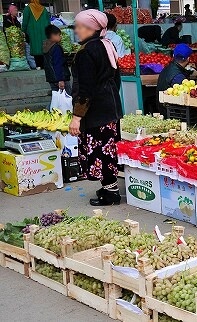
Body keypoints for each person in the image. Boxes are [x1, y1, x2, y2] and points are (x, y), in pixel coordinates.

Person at [69, 9, 122, 206]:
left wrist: (77, 117)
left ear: (91, 28)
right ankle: (110, 188)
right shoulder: (105, 45)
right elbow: (115, 80)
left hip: (97, 111)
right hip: (109, 107)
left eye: (80, 26)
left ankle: (111, 194)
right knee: (107, 150)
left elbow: (85, 89)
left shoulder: (87, 52)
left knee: (100, 152)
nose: (77, 30)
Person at [156, 44, 195, 116]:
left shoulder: (168, 68)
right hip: (171, 112)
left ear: (173, 56)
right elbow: (185, 92)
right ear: (188, 59)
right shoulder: (178, 77)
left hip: (162, 108)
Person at [43, 25, 71, 95]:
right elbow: (58, 64)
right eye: (59, 35)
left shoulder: (46, 46)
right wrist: (60, 79)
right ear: (53, 35)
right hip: (60, 78)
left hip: (51, 78)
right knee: (67, 97)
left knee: (56, 98)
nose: (60, 37)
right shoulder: (56, 47)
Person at [22, 0, 50, 68]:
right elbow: (48, 21)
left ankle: (38, 65)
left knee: (35, 47)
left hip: (33, 32)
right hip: (44, 31)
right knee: (43, 47)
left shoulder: (28, 8)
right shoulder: (44, 9)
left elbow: (25, 21)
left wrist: (23, 30)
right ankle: (45, 65)